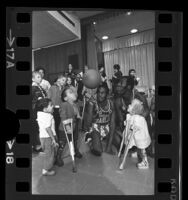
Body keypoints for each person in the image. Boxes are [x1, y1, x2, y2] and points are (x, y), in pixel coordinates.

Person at [84, 84, 117, 156]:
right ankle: (90, 139)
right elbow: (88, 124)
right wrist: (92, 115)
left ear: (107, 94)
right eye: (98, 92)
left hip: (106, 127)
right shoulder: (92, 103)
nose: (99, 95)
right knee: (98, 151)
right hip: (95, 127)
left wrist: (109, 147)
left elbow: (112, 123)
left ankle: (102, 139)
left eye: (102, 93)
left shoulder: (111, 103)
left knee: (119, 142)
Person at [56, 87, 83, 166]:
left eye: (73, 92)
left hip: (74, 126)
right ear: (65, 98)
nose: (74, 93)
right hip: (65, 128)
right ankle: (58, 157)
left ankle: (75, 151)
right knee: (63, 143)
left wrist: (78, 115)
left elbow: (76, 111)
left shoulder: (75, 104)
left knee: (75, 139)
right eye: (70, 92)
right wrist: (67, 127)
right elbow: (63, 117)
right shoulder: (64, 105)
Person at [123, 98, 151, 169]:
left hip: (141, 136)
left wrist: (134, 126)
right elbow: (129, 121)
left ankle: (145, 162)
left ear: (134, 110)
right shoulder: (131, 116)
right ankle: (138, 153)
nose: (129, 106)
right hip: (135, 135)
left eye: (131, 105)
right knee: (137, 145)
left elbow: (137, 126)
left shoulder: (138, 118)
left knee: (142, 148)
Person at [36, 98, 58, 176]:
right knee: (49, 154)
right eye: (51, 105)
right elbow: (48, 129)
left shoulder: (41, 114)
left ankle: (50, 163)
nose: (53, 106)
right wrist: (53, 139)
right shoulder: (47, 116)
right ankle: (46, 170)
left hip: (44, 137)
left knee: (50, 152)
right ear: (45, 109)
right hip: (48, 138)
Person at [48, 74, 67, 140]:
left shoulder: (63, 88)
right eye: (63, 80)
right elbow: (48, 98)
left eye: (65, 81)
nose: (64, 82)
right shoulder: (52, 87)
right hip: (53, 109)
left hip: (61, 109)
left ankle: (60, 139)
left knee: (59, 124)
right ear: (58, 80)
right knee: (54, 125)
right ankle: (55, 140)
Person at [32, 71, 47, 153]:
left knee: (39, 127)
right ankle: (37, 145)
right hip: (36, 111)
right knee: (36, 128)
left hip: (40, 110)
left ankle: (38, 144)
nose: (40, 78)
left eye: (40, 76)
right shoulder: (34, 88)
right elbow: (37, 101)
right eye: (38, 77)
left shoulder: (39, 87)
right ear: (33, 79)